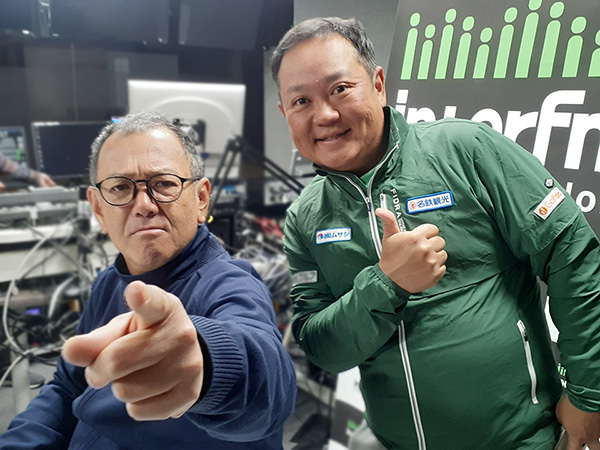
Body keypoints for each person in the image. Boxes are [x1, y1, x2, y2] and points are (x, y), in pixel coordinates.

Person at [271, 16, 600, 450]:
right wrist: (386, 284)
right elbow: (321, 346)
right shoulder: (306, 218)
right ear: (285, 114)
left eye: (340, 89)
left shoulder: (467, 150)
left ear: (378, 84)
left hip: (524, 440)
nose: (325, 115)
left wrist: (589, 393)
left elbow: (572, 253)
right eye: (301, 101)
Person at [0, 111, 297, 449]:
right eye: (120, 187)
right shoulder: (109, 282)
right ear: (99, 210)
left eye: (164, 184)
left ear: (201, 199)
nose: (144, 205)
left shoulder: (230, 283)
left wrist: (208, 362)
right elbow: (69, 386)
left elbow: (269, 388)